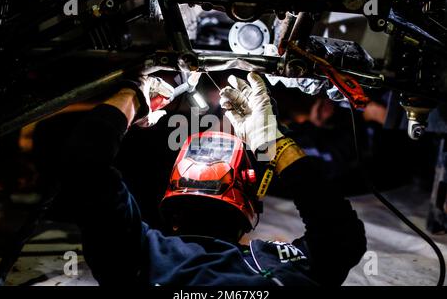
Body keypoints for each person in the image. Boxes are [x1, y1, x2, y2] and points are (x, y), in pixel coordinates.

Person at [59, 72, 366, 286]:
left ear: (172, 200)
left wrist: (135, 95)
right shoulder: (282, 264)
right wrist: (272, 142)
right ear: (250, 207)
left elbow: (85, 160)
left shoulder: (137, 255)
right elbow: (342, 234)